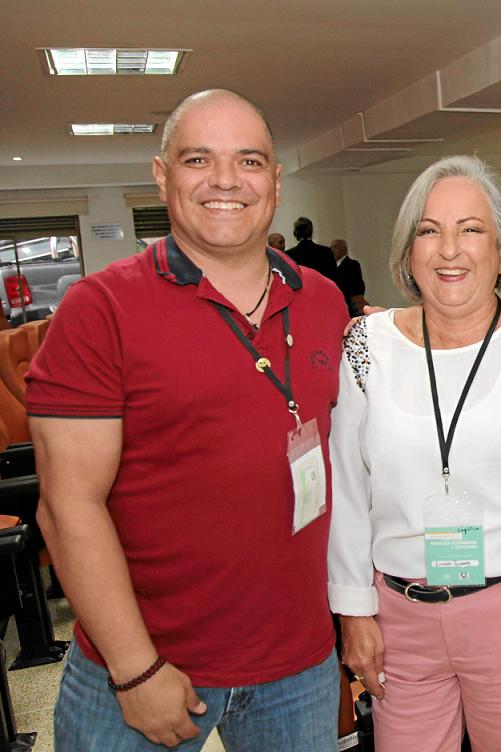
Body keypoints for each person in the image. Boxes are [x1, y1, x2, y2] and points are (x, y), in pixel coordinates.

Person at [28, 89, 349, 751]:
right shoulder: (99, 309)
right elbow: (68, 506)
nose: (227, 180)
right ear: (162, 174)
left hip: (299, 666)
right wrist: (134, 667)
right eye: (199, 159)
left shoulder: (321, 301)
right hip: (145, 665)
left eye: (250, 161)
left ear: (277, 181)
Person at [328, 154, 501, 752]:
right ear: (407, 254)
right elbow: (348, 490)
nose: (449, 249)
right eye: (429, 231)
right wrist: (353, 610)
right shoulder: (364, 347)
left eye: (470, 229)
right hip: (399, 619)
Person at [288, 216, 338, 283]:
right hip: (322, 290)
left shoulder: (289, 255)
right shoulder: (326, 252)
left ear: (295, 233)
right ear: (311, 231)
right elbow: (334, 278)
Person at [330, 238, 367, 316]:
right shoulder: (331, 267)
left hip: (349, 305)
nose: (332, 250)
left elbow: (356, 286)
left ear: (344, 249)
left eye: (335, 247)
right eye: (331, 247)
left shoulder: (352, 264)